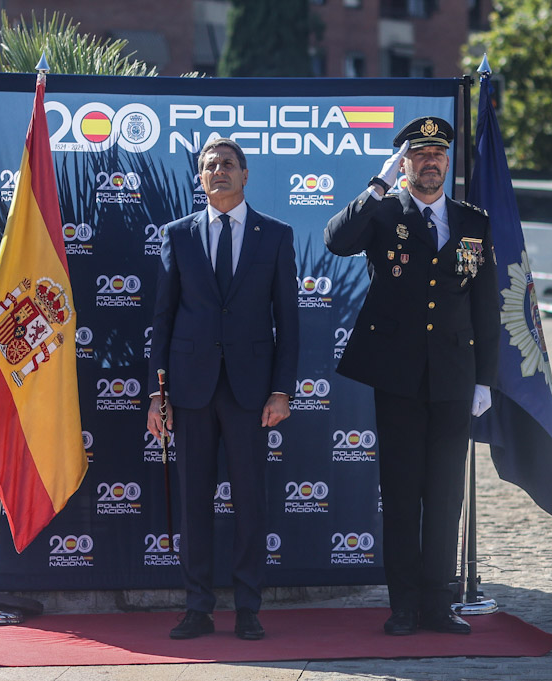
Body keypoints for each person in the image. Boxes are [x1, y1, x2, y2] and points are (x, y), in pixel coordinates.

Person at [324, 116, 500, 635]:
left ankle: (438, 604)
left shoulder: (473, 221)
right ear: (404, 163)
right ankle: (403, 605)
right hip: (398, 375)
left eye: (438, 155)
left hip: (453, 375)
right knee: (401, 493)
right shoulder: (382, 213)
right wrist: (376, 188)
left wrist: (484, 379)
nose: (430, 163)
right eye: (419, 155)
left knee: (445, 493)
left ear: (448, 163)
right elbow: (337, 240)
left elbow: (484, 307)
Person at [147, 138, 299, 641]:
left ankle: (249, 608)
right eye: (210, 166)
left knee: (251, 501)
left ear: (245, 174)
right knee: (194, 501)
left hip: (251, 392)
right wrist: (156, 395)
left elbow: (289, 322)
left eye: (228, 164)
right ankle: (197, 606)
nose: (219, 172)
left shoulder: (275, 236)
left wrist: (282, 390)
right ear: (200, 177)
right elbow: (163, 318)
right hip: (189, 390)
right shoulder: (178, 235)